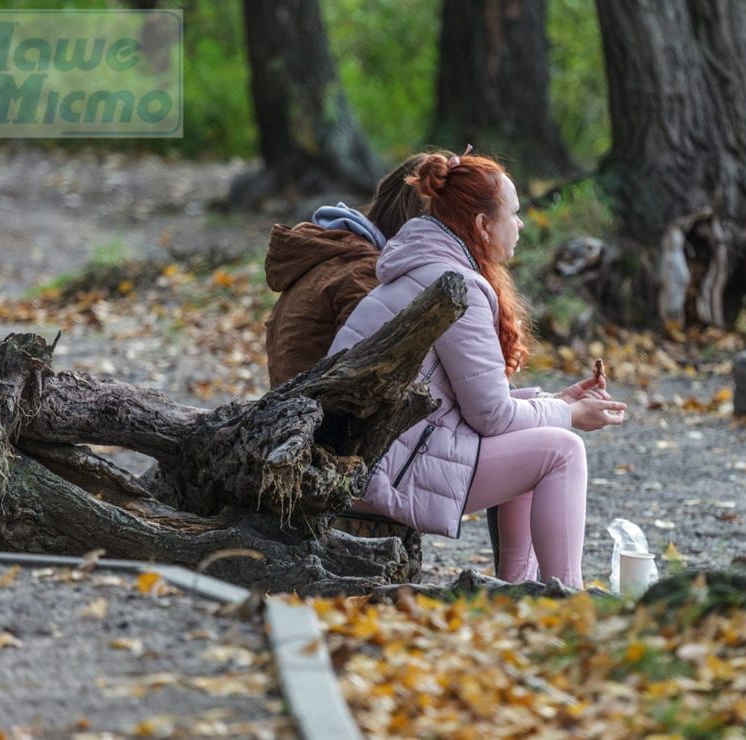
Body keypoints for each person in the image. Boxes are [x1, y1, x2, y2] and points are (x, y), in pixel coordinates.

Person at [328, 148, 627, 588]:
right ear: (484, 226)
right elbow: (491, 417)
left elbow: (474, 404)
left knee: (537, 438)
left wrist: (554, 401)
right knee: (562, 451)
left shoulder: (425, 267)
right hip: (383, 470)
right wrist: (568, 416)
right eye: (515, 213)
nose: (521, 224)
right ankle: (567, 600)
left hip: (372, 456)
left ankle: (515, 589)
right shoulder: (456, 285)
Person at [264, 154, 427, 387]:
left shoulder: (339, 255)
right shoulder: (364, 272)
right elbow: (370, 374)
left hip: (297, 408)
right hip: (319, 416)